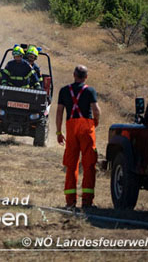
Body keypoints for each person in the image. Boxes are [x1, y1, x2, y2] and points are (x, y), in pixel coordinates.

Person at [55, 65, 101, 209]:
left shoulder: (64, 91)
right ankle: (87, 202)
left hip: (71, 127)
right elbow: (96, 110)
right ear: (86, 77)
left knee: (71, 165)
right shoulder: (90, 90)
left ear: (74, 75)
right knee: (89, 165)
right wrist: (95, 122)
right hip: (86, 127)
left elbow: (59, 113)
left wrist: (58, 132)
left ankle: (70, 201)